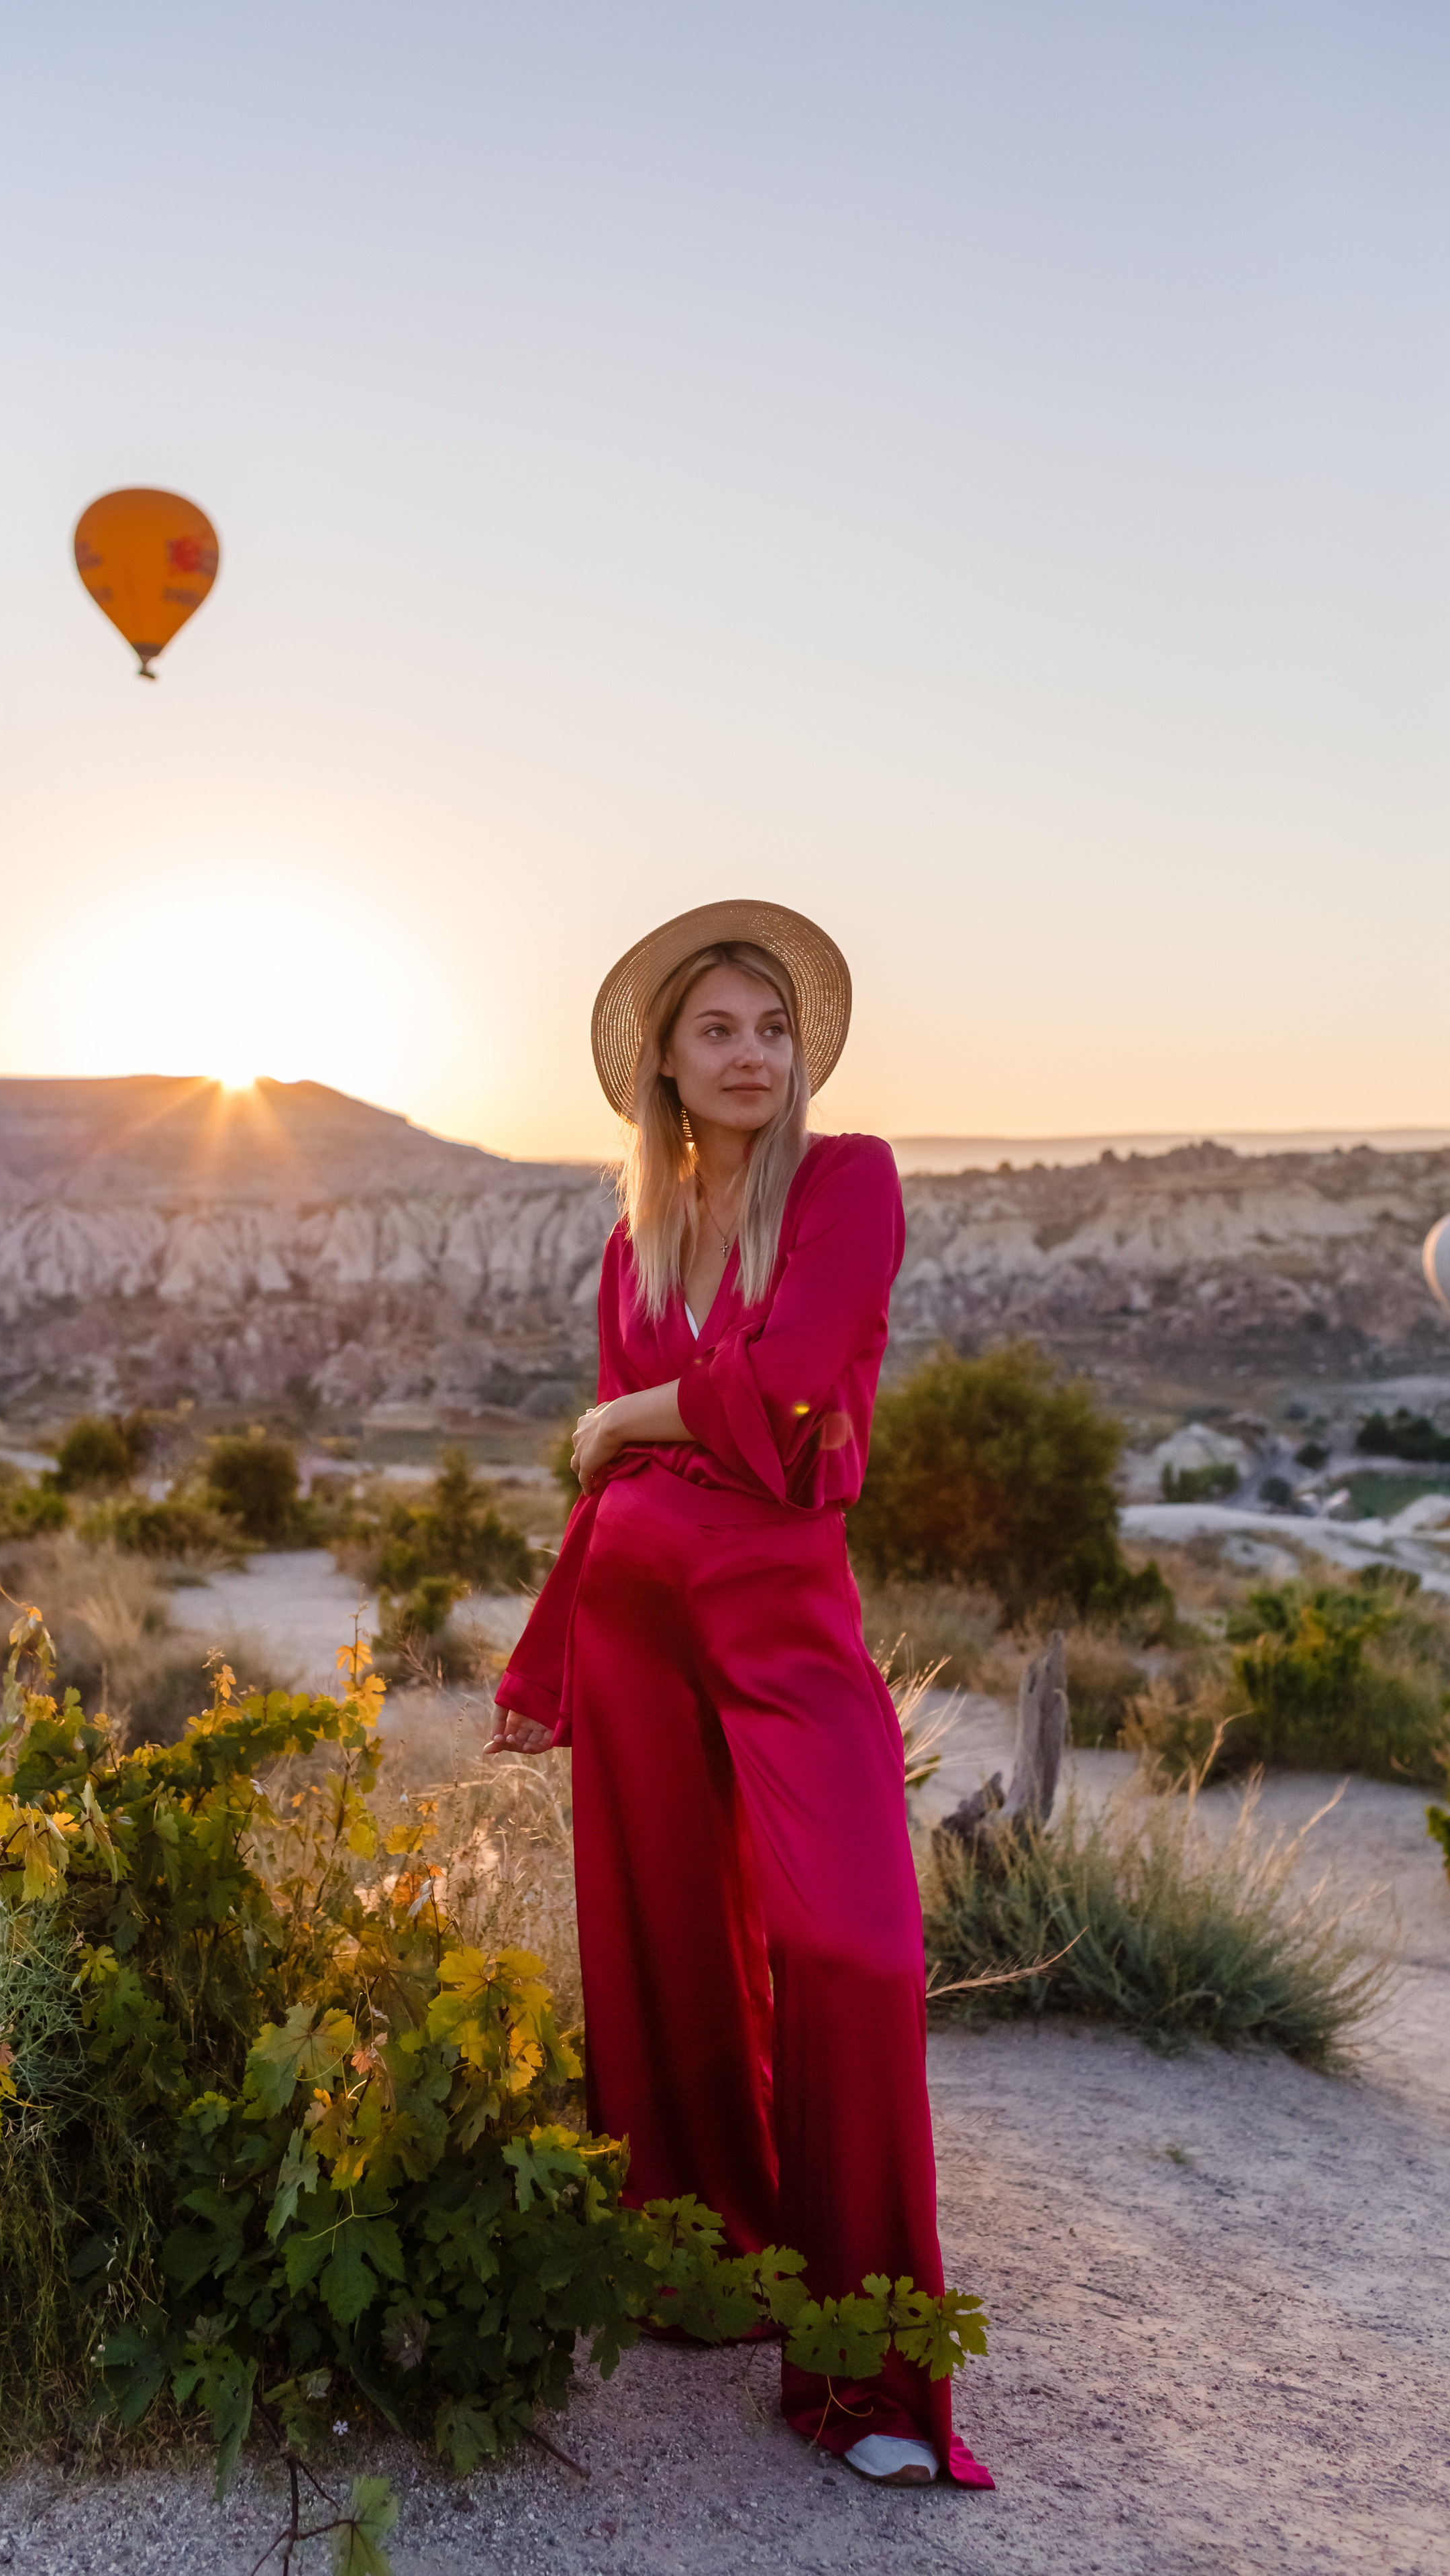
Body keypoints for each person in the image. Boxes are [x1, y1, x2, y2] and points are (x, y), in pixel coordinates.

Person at [485, 899, 991, 2489]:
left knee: (851, 1945)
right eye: (718, 1030)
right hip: (635, 1611)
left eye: (770, 1030)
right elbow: (620, 1474)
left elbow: (790, 1381)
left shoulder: (850, 1180)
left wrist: (625, 1413)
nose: (752, 1055)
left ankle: (862, 2376)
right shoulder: (632, 1234)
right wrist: (553, 1629)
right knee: (662, 1949)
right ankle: (704, 2265)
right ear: (665, 1061)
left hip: (781, 1613)